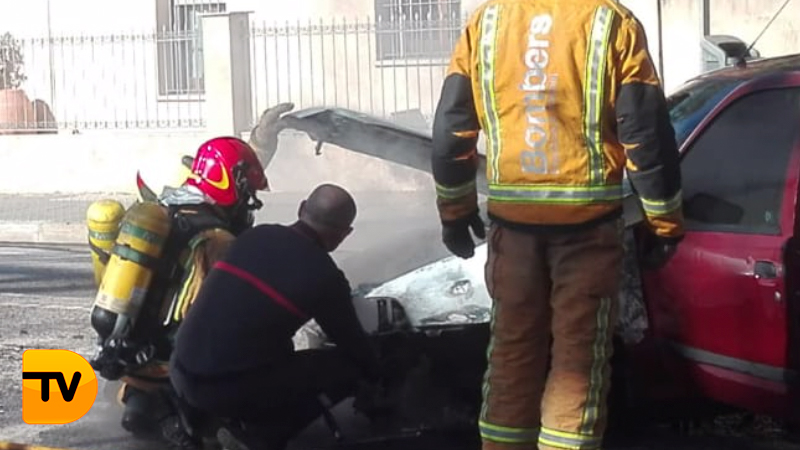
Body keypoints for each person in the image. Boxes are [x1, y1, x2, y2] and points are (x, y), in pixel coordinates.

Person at [430, 2, 685, 450]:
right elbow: (645, 131)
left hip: (513, 230)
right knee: (578, 363)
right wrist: (663, 222)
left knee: (511, 355)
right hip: (588, 229)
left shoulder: (487, 21)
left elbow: (453, 127)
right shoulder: (611, 22)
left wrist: (455, 210)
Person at [98, 103, 296, 446]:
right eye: (247, 192)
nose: (248, 200)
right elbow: (223, 321)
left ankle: (149, 402)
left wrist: (261, 143)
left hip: (130, 354)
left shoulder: (171, 208)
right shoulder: (217, 241)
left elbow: (227, 172)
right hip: (173, 367)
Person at [169, 183, 383, 450]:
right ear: (344, 234)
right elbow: (353, 344)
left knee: (267, 349)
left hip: (179, 369)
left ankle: (204, 423)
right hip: (219, 390)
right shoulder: (324, 276)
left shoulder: (253, 236)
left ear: (302, 208)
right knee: (346, 367)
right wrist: (379, 371)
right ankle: (262, 436)